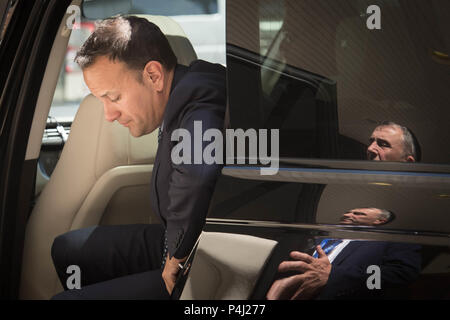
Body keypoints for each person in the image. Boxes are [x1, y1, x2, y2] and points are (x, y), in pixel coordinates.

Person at [51, 16, 226, 299]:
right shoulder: (184, 94)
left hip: (201, 257)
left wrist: (176, 257)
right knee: (68, 250)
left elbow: (197, 171)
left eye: (114, 97)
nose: (108, 115)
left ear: (154, 76)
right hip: (180, 241)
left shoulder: (200, 96)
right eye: (102, 101)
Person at [266, 122, 422, 300]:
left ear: (407, 163)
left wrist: (335, 277)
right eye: (371, 142)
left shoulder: (406, 217)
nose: (370, 148)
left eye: (383, 144)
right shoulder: (344, 201)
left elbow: (400, 275)